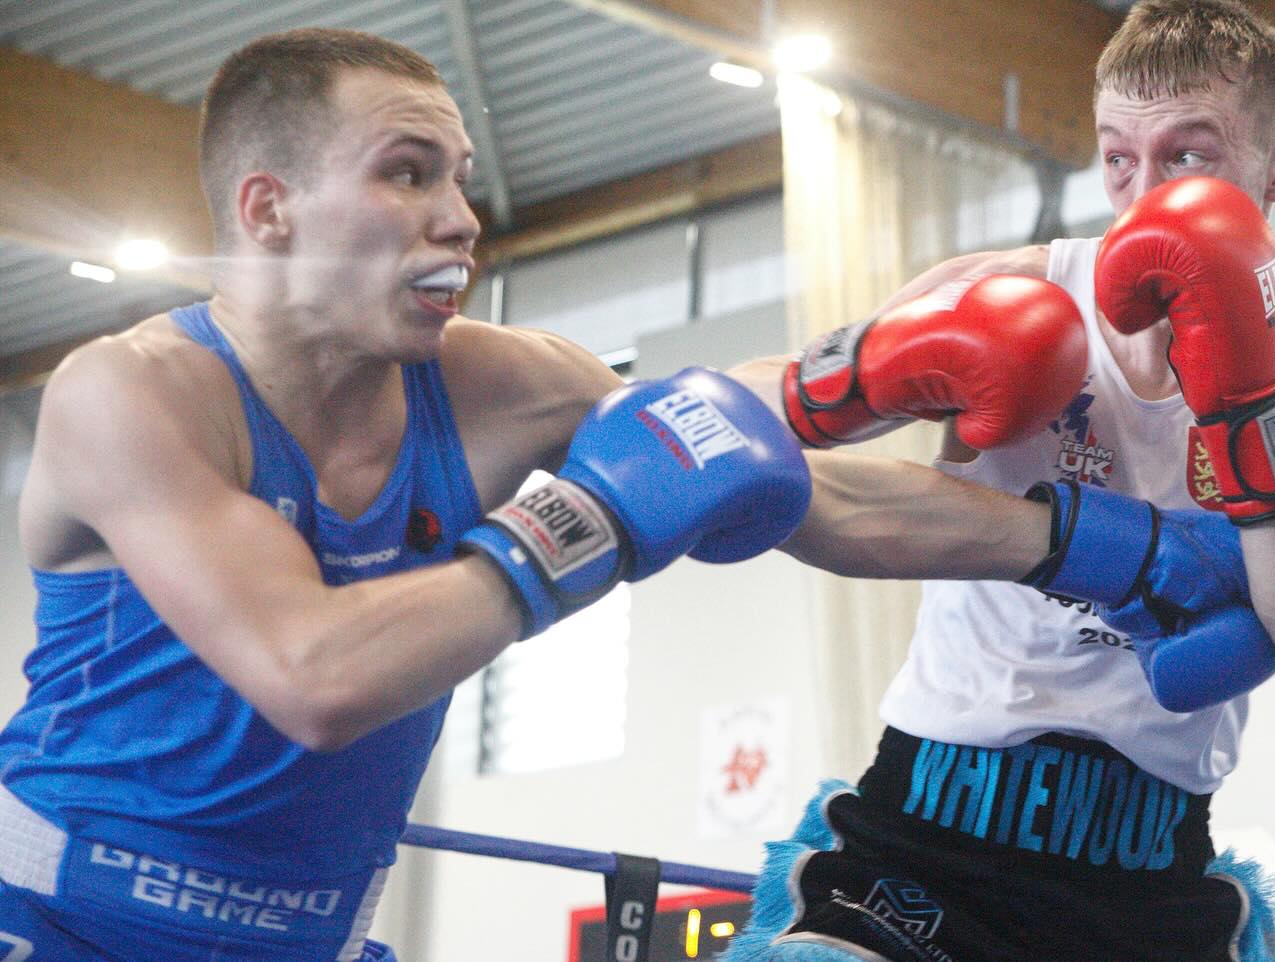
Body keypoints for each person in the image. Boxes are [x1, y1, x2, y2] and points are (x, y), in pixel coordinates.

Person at [0, 28, 812, 962]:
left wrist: (864, 387)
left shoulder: (508, 380)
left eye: (458, 178)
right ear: (270, 210)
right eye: (409, 173)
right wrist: (582, 522)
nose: (463, 218)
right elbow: (313, 677)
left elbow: (767, 467)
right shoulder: (132, 390)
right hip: (55, 924)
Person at [721, 2, 1275, 961]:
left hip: (1147, 870)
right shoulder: (1008, 291)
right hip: (927, 830)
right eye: (1120, 157)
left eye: (1189, 158)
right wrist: (862, 370)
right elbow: (727, 420)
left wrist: (1253, 404)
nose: (1145, 193)